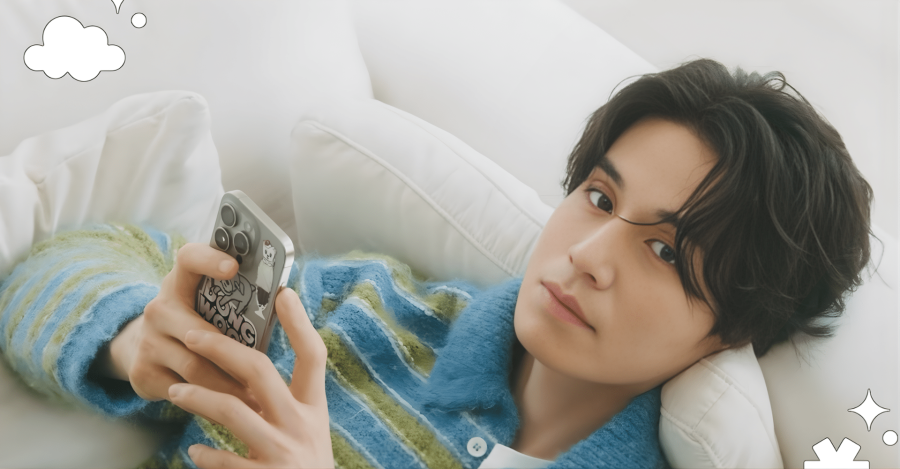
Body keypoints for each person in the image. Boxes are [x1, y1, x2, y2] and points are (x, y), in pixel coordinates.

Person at [0, 58, 873, 469]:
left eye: (664, 250)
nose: (587, 255)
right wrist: (133, 340)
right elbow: (55, 264)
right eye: (601, 197)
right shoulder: (361, 312)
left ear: (733, 326)